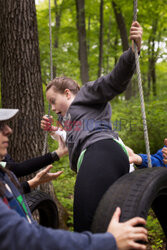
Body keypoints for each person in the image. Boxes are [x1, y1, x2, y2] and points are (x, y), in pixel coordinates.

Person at [41, 21, 143, 232]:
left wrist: (133, 51)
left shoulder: (86, 94)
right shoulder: (74, 118)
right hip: (101, 156)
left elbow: (114, 81)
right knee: (110, 227)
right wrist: (54, 130)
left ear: (67, 94)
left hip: (101, 152)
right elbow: (73, 135)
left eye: (53, 101)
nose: (52, 108)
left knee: (85, 226)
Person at [0, 108, 148, 250]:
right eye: (0, 126)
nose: (9, 130)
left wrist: (33, 183)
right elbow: (25, 238)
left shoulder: (7, 176)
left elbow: (13, 189)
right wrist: (110, 241)